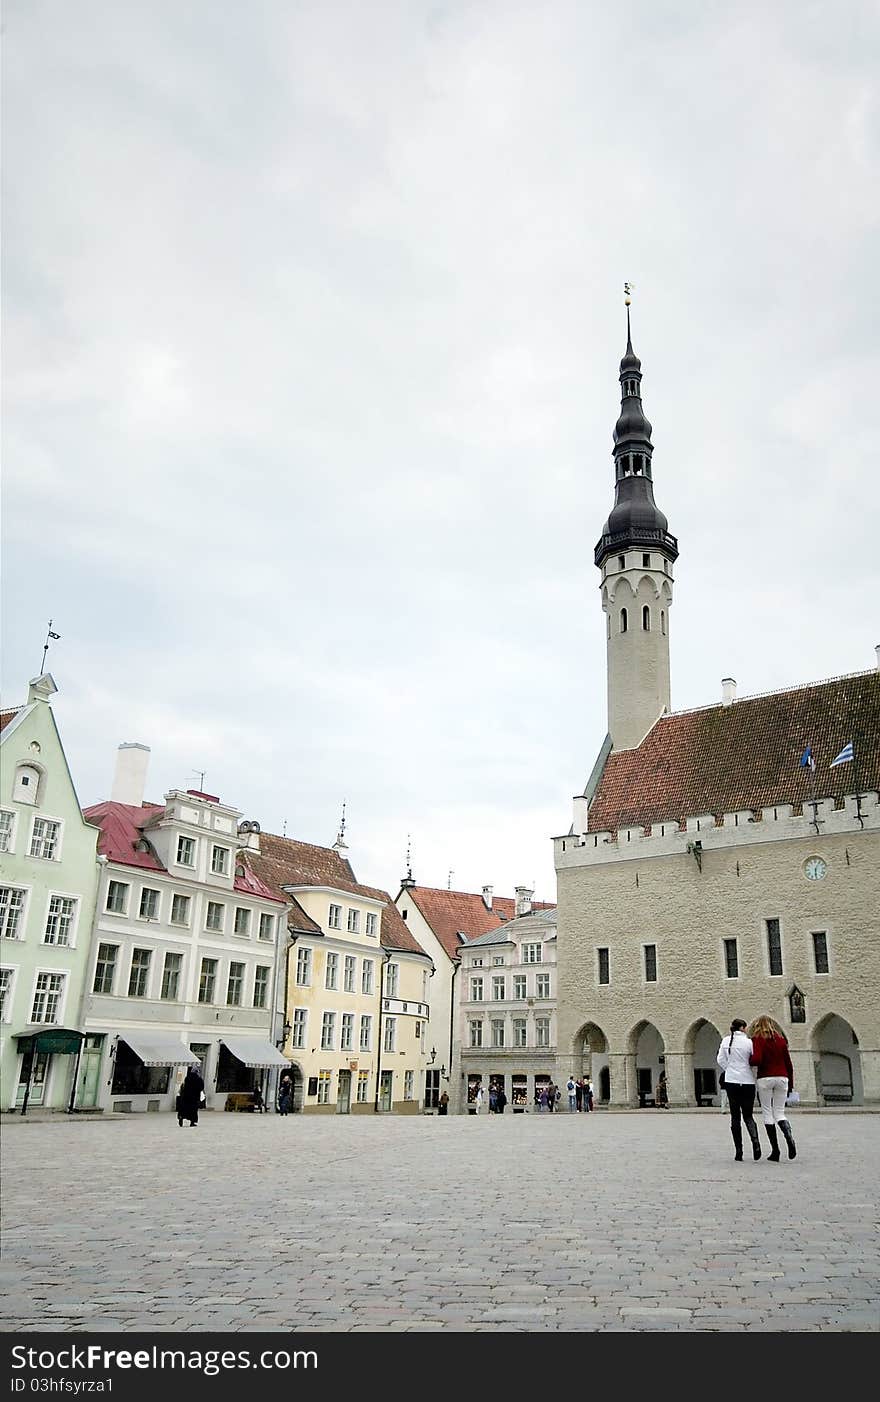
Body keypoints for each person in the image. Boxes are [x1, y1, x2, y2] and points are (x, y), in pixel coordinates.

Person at [748, 1014, 796, 1161]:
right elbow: (789, 1064)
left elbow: (757, 1059)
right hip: (782, 1078)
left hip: (766, 1078)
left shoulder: (757, 1039)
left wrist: (750, 1060)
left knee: (768, 1113)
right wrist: (791, 1085)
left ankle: (775, 1151)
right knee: (780, 1113)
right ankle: (788, 1136)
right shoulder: (781, 1040)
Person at [716, 1018, 761, 1161]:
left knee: (735, 1116)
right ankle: (756, 1143)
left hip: (732, 1081)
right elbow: (753, 1060)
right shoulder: (749, 1042)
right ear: (742, 1028)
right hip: (747, 1081)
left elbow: (720, 1059)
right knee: (748, 1115)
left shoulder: (726, 1041)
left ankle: (739, 1151)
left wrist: (729, 1069)